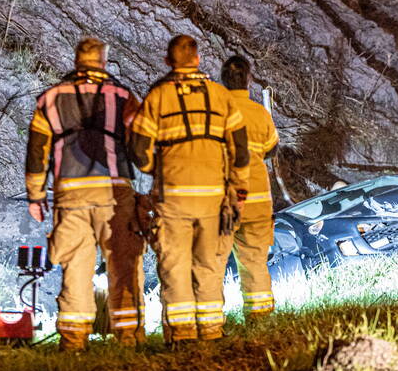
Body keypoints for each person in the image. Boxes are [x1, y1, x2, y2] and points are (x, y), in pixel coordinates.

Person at [25, 37, 146, 351]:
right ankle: (129, 338)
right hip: (114, 192)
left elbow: (37, 151)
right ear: (104, 62)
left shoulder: (51, 98)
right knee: (122, 264)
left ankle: (74, 340)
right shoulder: (123, 97)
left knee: (76, 267)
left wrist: (36, 196)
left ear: (77, 62)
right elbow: (141, 145)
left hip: (71, 195)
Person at [129, 35, 250, 344]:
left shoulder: (158, 97)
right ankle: (211, 332)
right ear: (198, 59)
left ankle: (182, 336)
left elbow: (139, 151)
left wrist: (151, 177)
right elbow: (240, 151)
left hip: (174, 199)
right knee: (209, 266)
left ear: (168, 62)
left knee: (175, 266)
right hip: (213, 199)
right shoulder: (220, 96)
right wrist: (238, 194)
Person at [218, 55, 279, 321]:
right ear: (248, 79)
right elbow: (272, 149)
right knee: (255, 262)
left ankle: (210, 323)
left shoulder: (215, 113)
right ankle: (260, 318)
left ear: (222, 80)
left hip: (223, 201)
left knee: (212, 264)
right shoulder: (259, 113)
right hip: (257, 202)